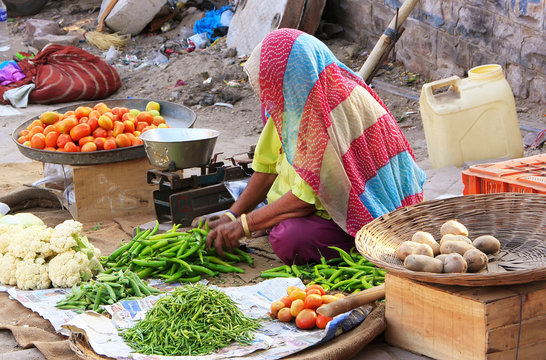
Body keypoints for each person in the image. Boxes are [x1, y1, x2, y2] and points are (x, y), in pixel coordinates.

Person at [206, 28, 425, 265]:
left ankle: (359, 244)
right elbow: (267, 167)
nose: (267, 93)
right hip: (319, 199)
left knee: (289, 239)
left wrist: (244, 225)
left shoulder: (330, 113)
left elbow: (306, 199)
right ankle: (275, 218)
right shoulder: (292, 100)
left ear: (293, 76)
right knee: (276, 220)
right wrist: (233, 214)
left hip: (370, 208)